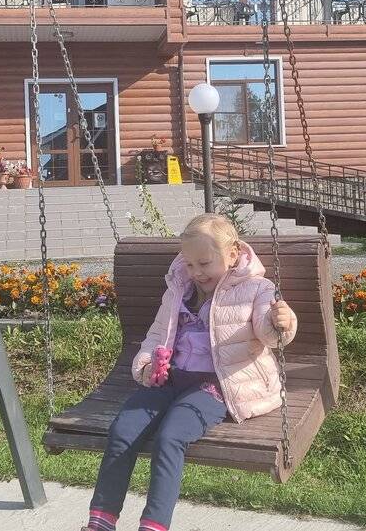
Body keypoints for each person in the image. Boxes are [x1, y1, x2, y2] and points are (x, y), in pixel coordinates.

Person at [81, 213, 297, 531]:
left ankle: (154, 525)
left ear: (233, 254)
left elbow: (270, 334)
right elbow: (157, 335)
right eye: (190, 264)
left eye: (204, 263)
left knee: (171, 437)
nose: (196, 272)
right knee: (123, 430)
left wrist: (283, 323)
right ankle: (101, 521)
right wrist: (147, 365)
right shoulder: (178, 290)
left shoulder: (257, 289)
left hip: (217, 384)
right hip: (172, 378)